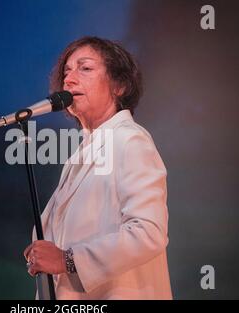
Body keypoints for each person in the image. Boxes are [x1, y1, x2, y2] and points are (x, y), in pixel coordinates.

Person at [23, 36, 172, 299]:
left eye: (85, 68)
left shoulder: (130, 139)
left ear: (120, 85)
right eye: (66, 71)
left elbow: (149, 232)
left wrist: (69, 260)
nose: (68, 79)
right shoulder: (82, 152)